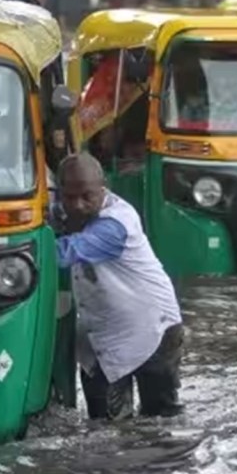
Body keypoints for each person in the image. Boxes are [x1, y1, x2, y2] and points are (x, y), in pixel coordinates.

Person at [51, 153, 184, 420]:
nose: (77, 205)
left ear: (103, 189)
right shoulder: (64, 210)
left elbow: (62, 253)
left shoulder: (115, 224)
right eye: (69, 197)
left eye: (87, 196)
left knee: (160, 422)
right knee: (105, 428)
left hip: (153, 329)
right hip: (104, 333)